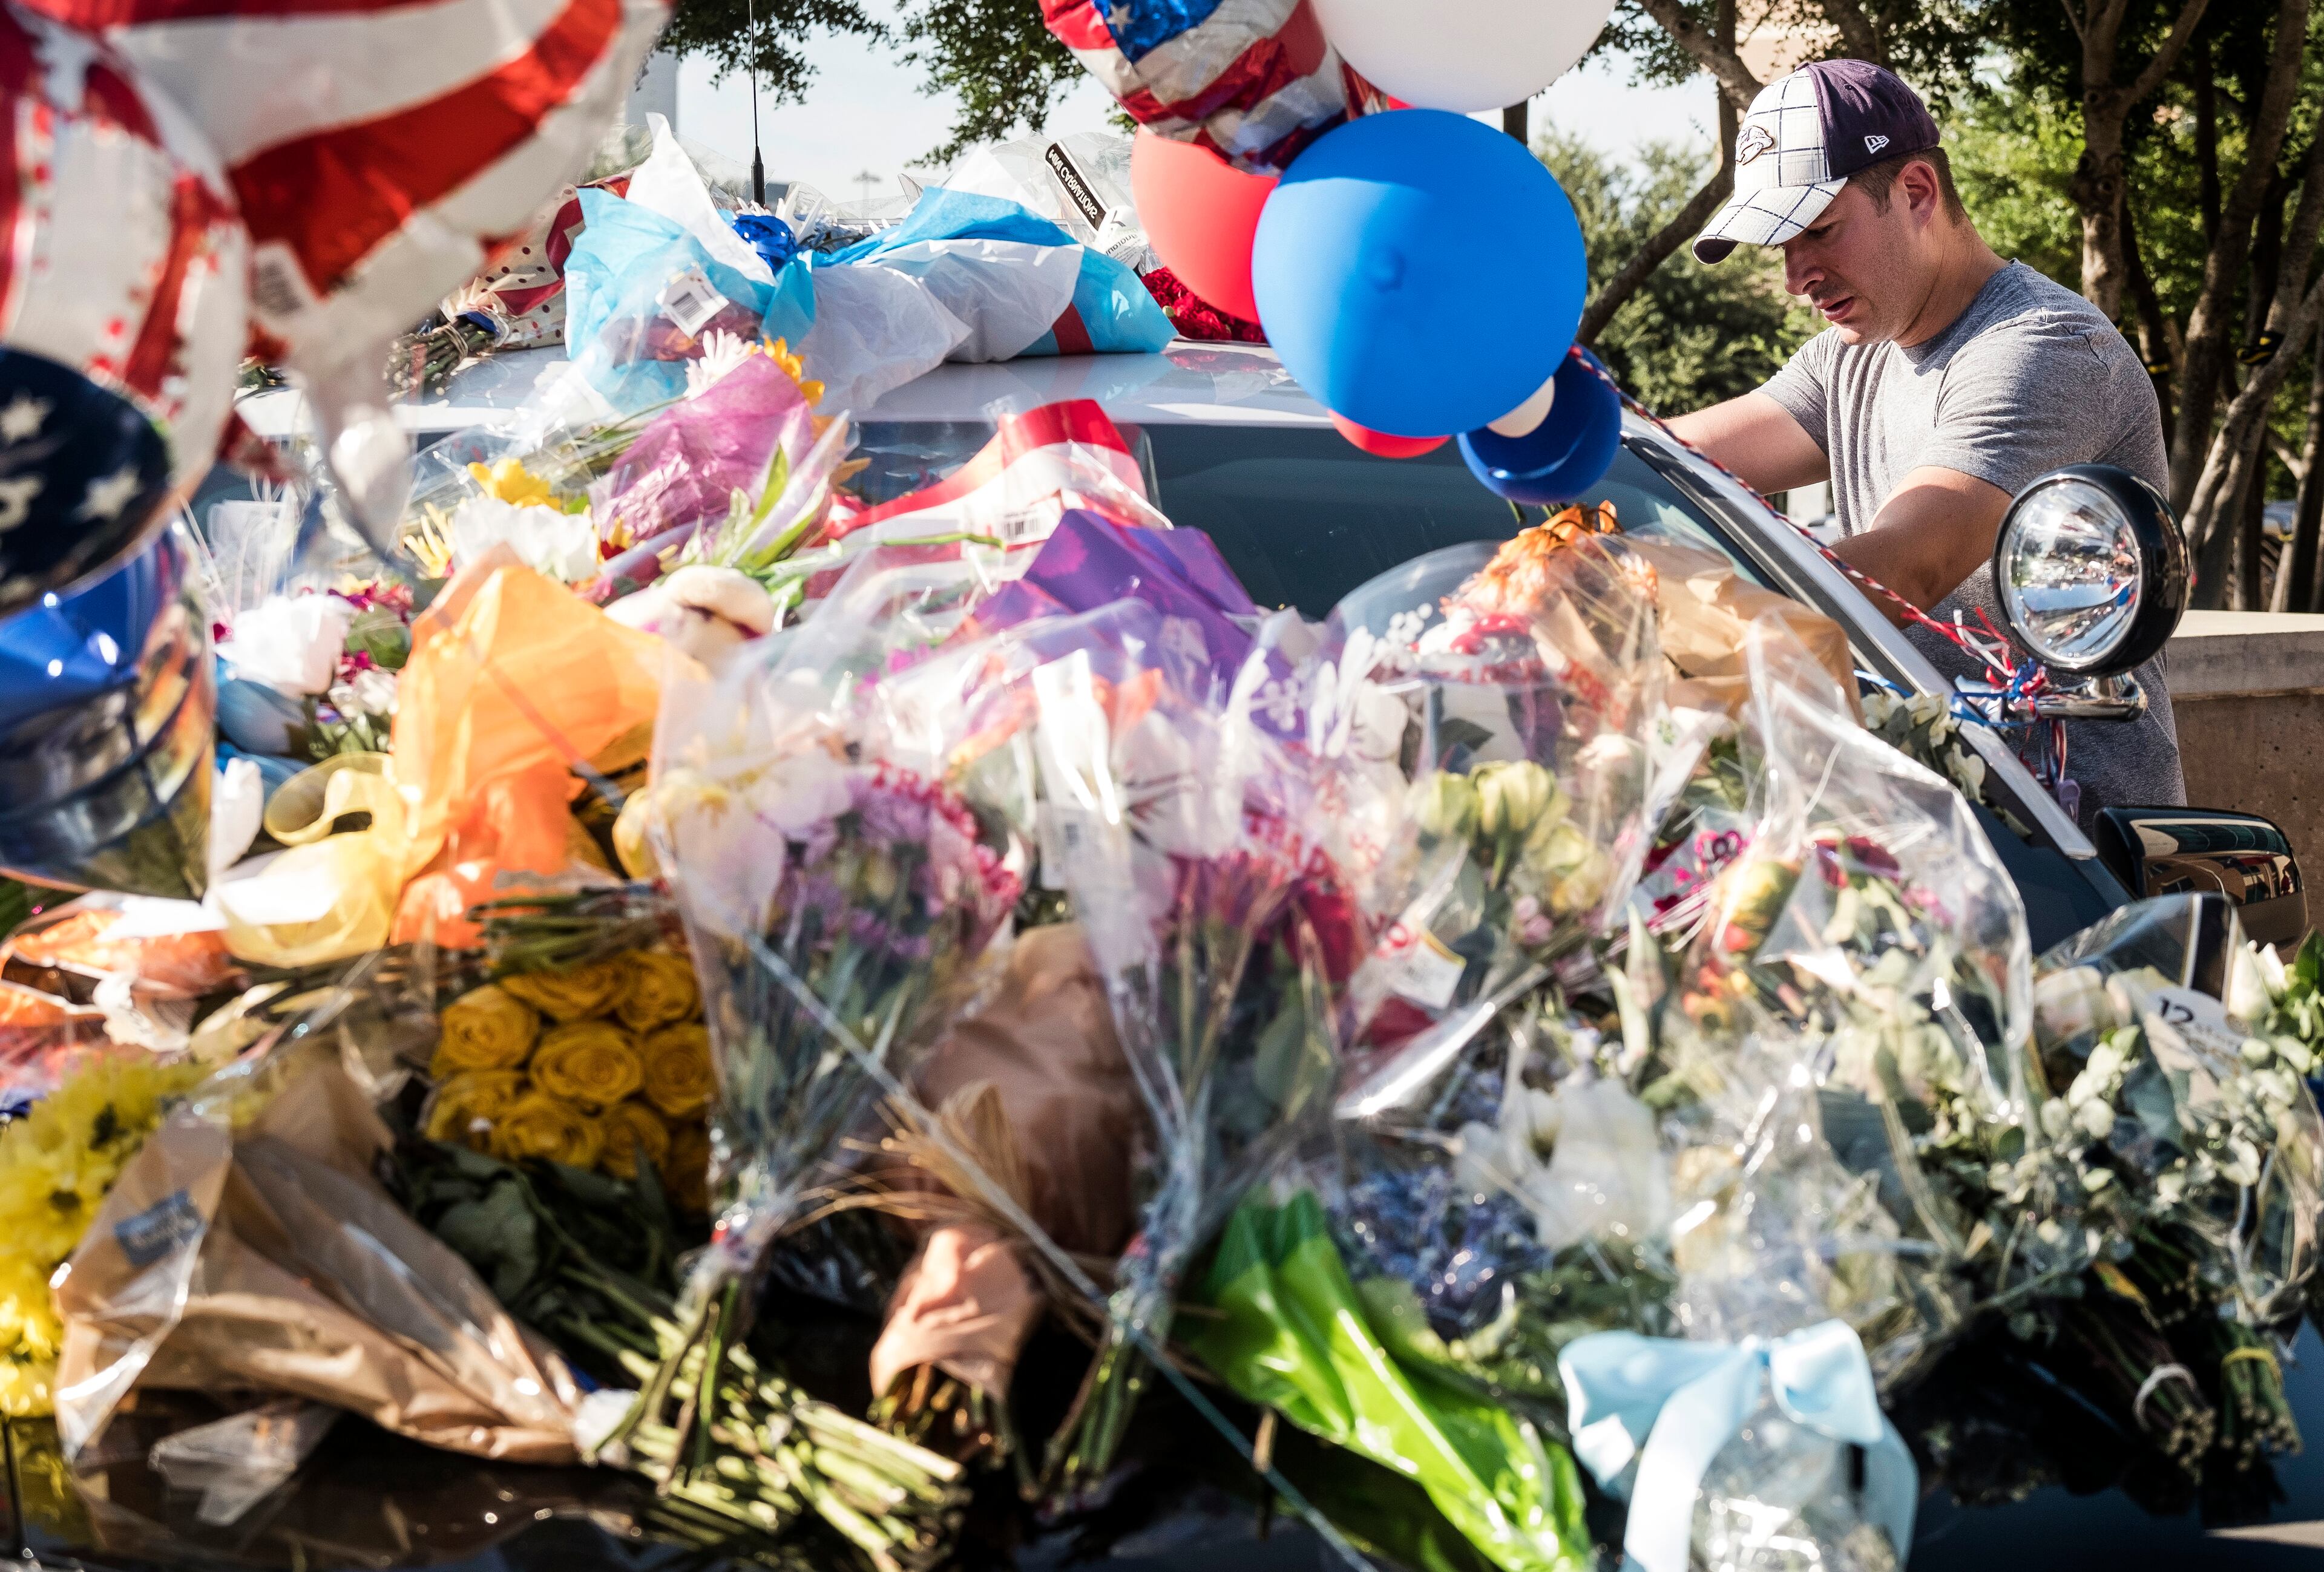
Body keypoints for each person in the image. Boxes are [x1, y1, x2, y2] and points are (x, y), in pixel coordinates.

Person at [1669, 58, 2184, 828]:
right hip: (1923, 821)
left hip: (2071, 847)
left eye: (1818, 231)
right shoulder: (1852, 355)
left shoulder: (2044, 347)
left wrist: (1664, 637)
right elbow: (1671, 459)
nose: (1796, 277)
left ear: (1916, 193)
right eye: (1780, 247)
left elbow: (1907, 565)